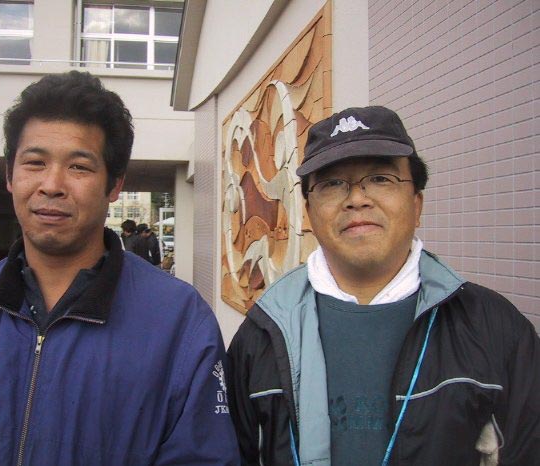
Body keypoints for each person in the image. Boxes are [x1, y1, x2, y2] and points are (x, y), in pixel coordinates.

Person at [0, 71, 240, 465]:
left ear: (115, 185)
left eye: (79, 167)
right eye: (35, 162)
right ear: (9, 175)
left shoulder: (179, 322)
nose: (52, 184)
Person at [226, 106, 540, 466]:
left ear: (417, 204)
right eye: (332, 184)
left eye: (380, 178)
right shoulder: (262, 334)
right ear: (309, 212)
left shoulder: (496, 330)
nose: (357, 199)